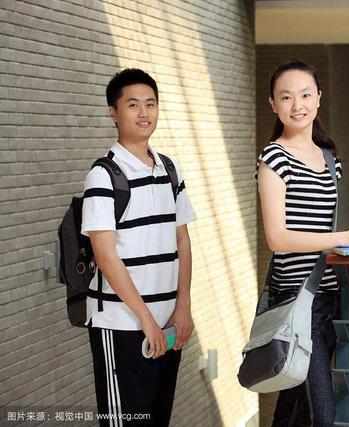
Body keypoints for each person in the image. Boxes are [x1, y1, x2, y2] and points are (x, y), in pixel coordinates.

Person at [256, 59, 349, 426]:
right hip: (296, 298)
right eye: (286, 97)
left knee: (296, 405)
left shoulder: (330, 160)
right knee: (323, 414)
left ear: (318, 98)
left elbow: (319, 230)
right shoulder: (273, 158)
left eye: (305, 95)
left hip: (330, 295)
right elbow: (277, 238)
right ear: (273, 104)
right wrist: (346, 236)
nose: (297, 105)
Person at [82, 68, 197, 425]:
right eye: (133, 105)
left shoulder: (170, 170)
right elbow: (105, 256)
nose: (144, 112)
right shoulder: (103, 175)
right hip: (122, 325)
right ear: (113, 113)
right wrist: (145, 319)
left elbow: (182, 239)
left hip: (168, 322)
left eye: (150, 104)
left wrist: (183, 306)